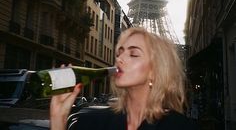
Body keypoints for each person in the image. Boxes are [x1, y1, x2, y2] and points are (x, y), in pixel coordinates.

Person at [50, 27, 199, 130]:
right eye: (119, 53)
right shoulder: (89, 123)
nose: (120, 59)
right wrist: (59, 119)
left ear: (155, 71)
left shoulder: (181, 127)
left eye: (133, 54)